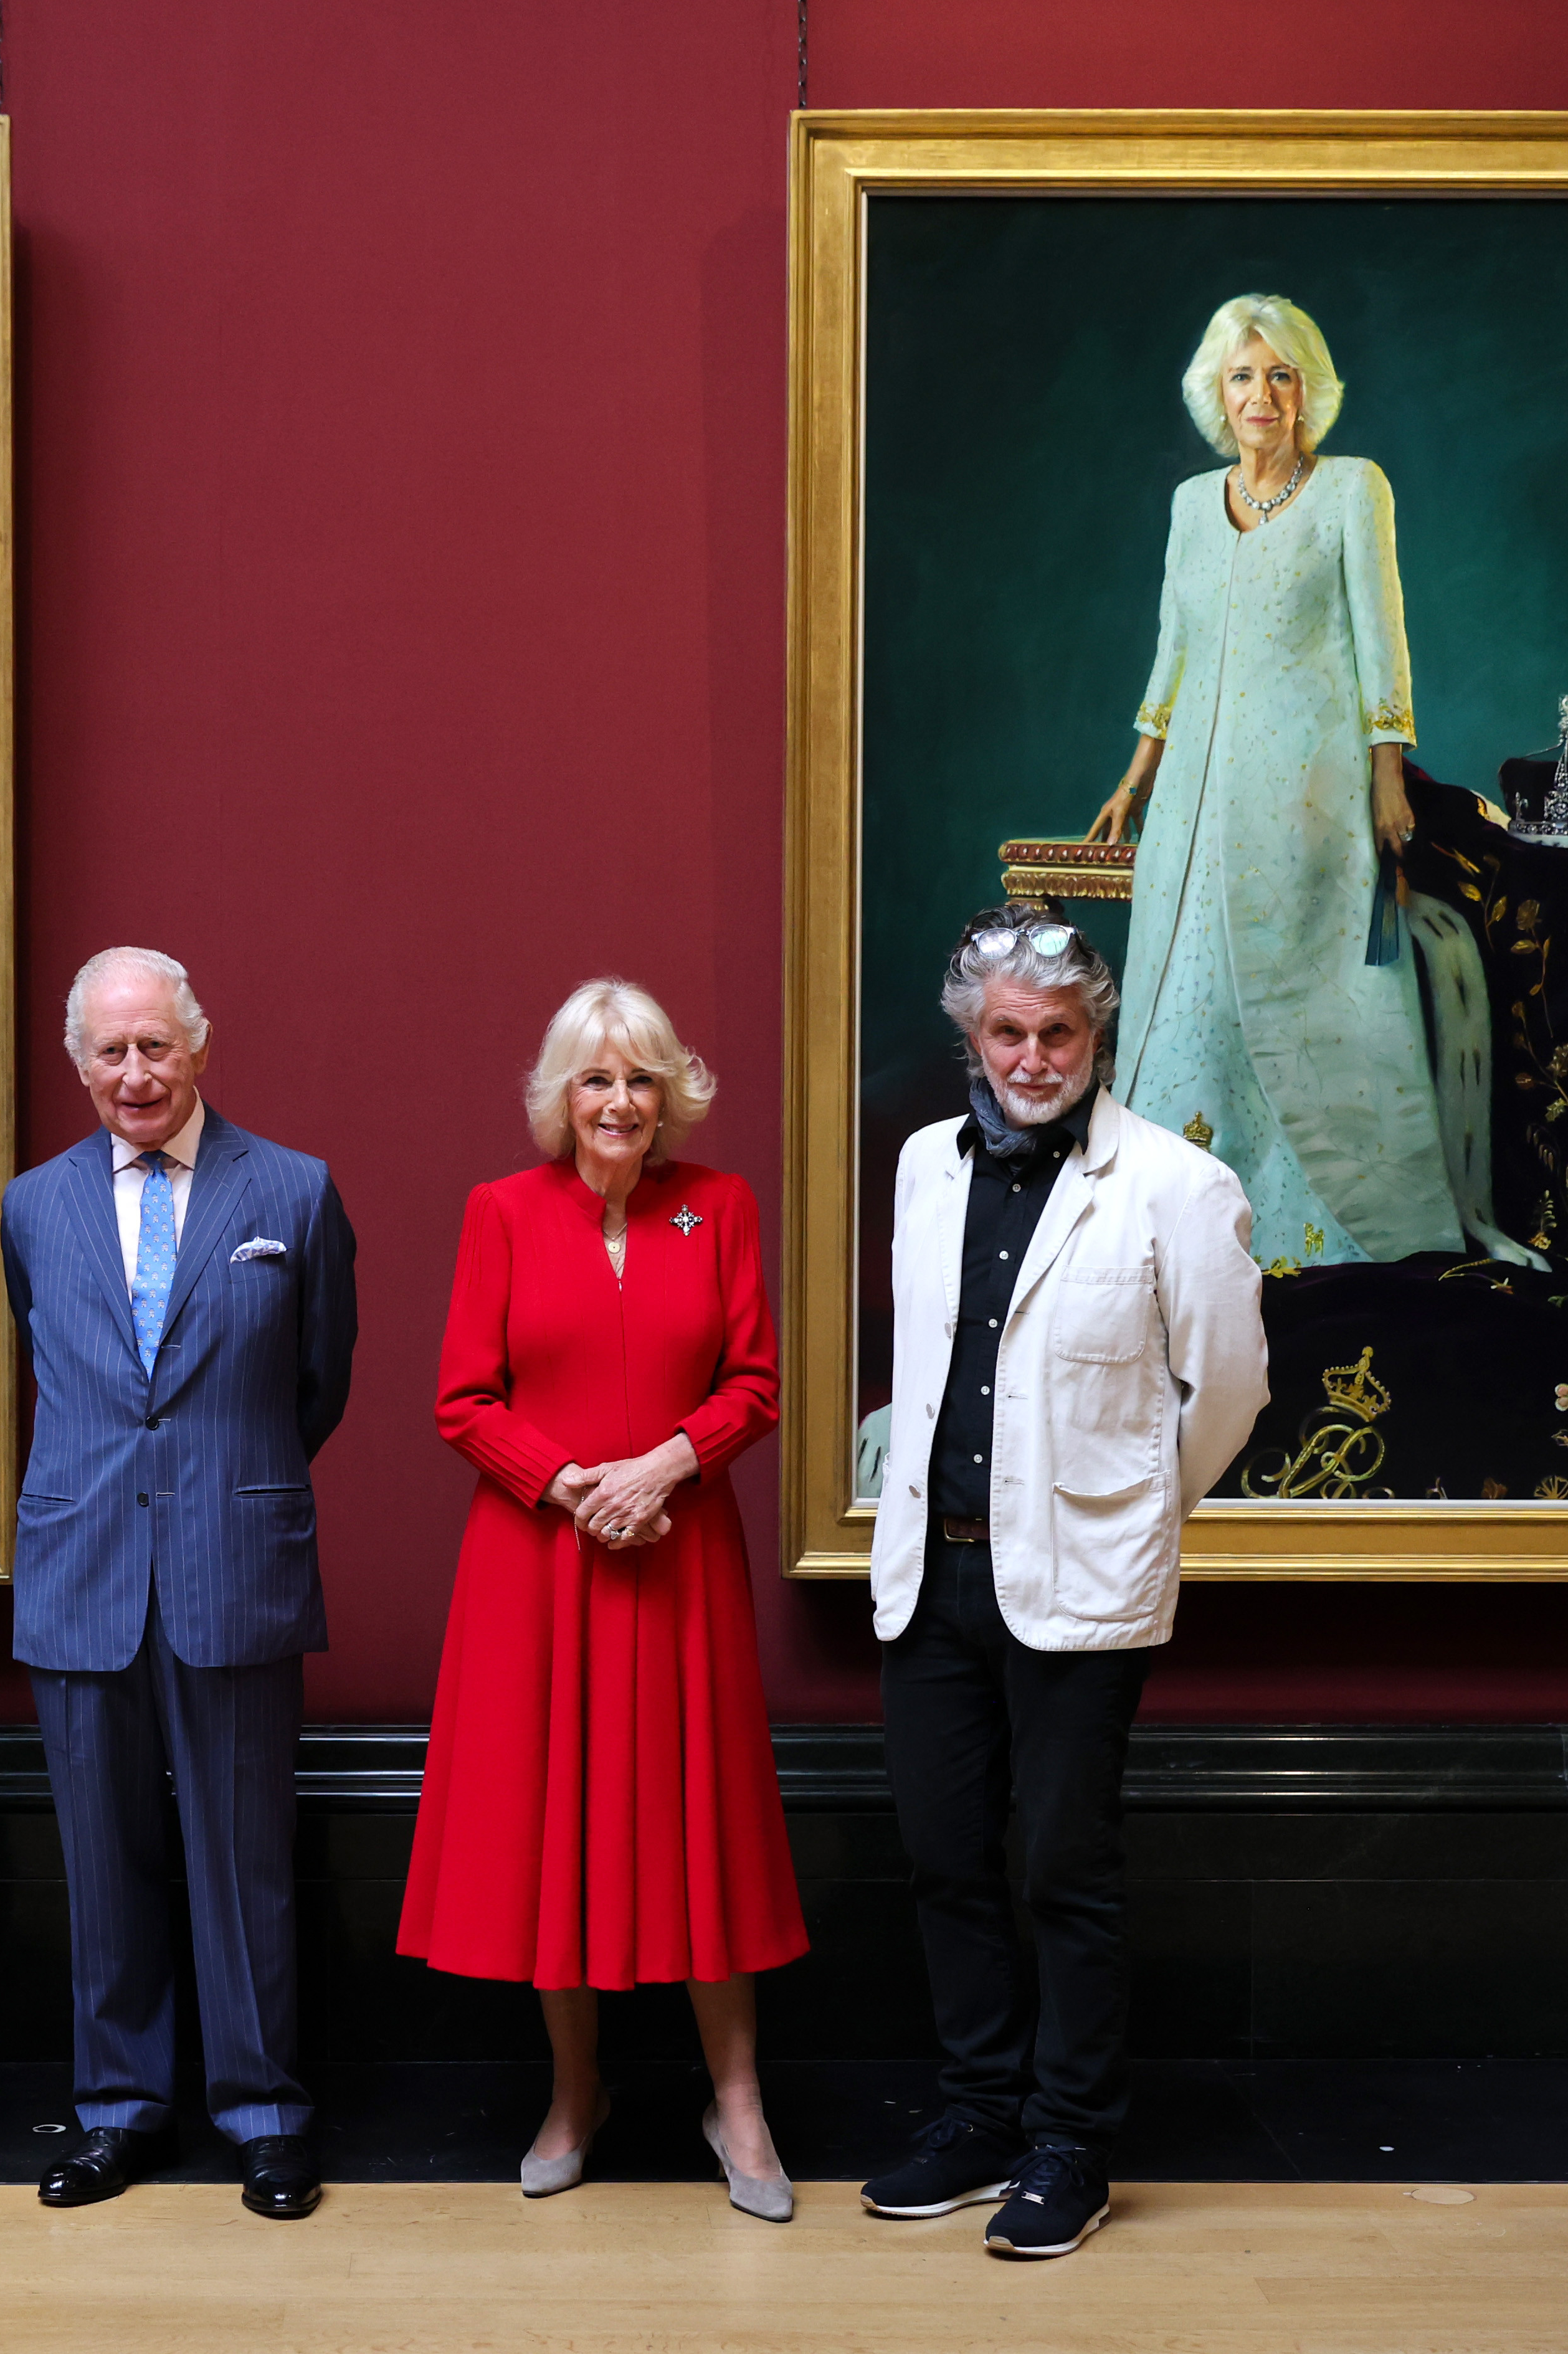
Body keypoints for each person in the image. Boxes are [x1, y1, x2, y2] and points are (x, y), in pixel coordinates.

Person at [861, 904, 1265, 2256]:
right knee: (945, 1863)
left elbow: (1228, 1393)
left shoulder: (1174, 1184)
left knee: (1061, 1871)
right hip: (931, 1579)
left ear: (1096, 1036)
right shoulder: (923, 1166)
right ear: (972, 1037)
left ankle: (1068, 2144)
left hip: (1080, 1586)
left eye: (1058, 1034)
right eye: (1007, 1033)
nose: (1031, 1059)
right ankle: (979, 2115)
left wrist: (1129, 1511)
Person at [399, 979, 808, 2220]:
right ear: (560, 1096)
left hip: (681, 1558)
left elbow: (754, 1382)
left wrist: (664, 1466)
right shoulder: (502, 1212)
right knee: (556, 1824)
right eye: (595, 1078)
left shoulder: (719, 1207)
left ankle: (735, 2099)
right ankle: (576, 2093)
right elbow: (462, 1399)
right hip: (540, 1564)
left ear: (668, 1093)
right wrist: (574, 1485)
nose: (618, 1101)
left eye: (639, 1079)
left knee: (704, 1824)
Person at [0, 948, 361, 2222]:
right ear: (78, 1064)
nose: (135, 1073)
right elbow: (44, 1365)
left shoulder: (294, 1191)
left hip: (233, 1564)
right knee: (102, 1864)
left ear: (199, 1046)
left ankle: (263, 2113)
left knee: (245, 1859)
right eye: (110, 1051)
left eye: (156, 1046)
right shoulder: (30, 1207)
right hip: (79, 1569)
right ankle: (118, 2110)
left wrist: (223, 1487)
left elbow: (318, 1383)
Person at [1083, 292, 1465, 1267]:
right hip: (1191, 806)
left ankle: (1326, 1233)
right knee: (1192, 999)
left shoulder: (1351, 490)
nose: (1261, 395)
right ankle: (1182, 1227)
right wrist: (1136, 776)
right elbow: (1172, 650)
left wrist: (1387, 774)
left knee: (1304, 987)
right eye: (1243, 376)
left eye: (1280, 375)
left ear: (1307, 390)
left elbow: (1382, 638)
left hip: (1308, 797)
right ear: (1217, 392)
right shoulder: (1189, 506)